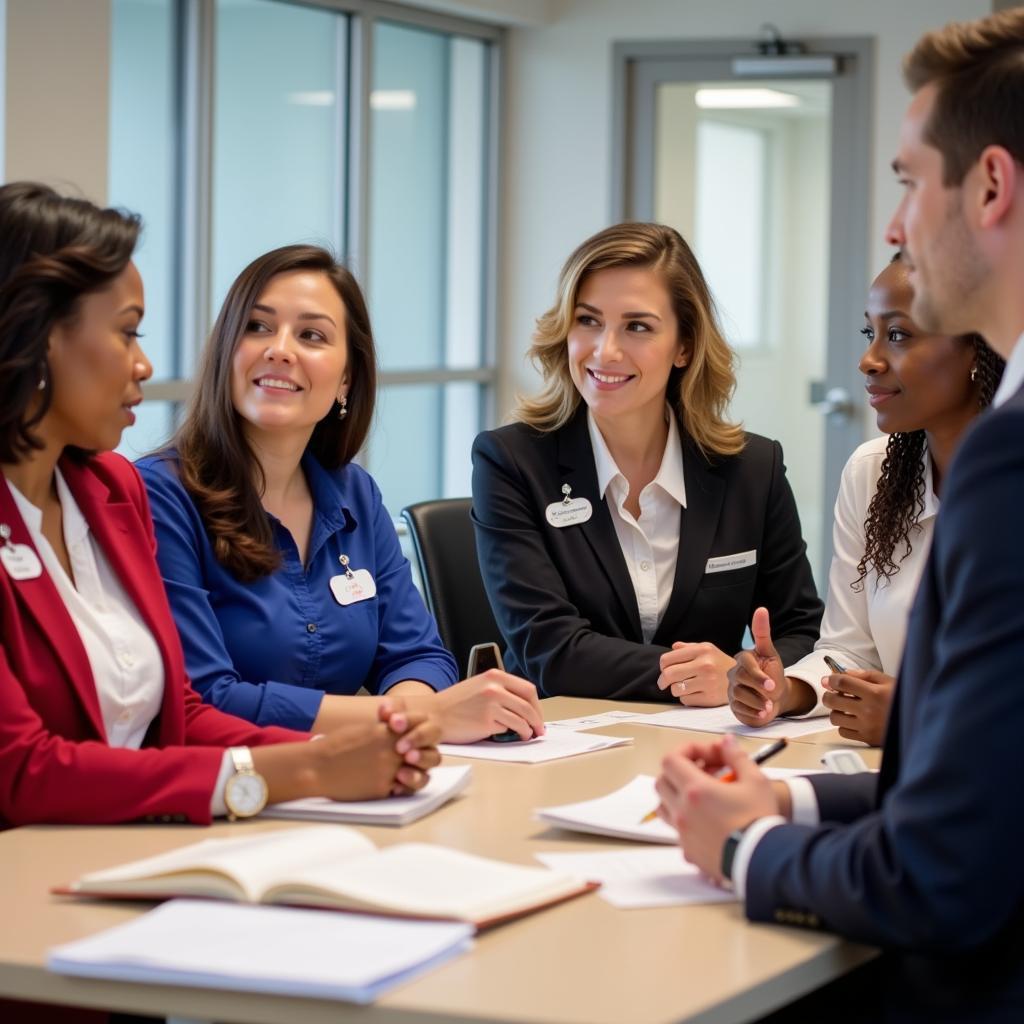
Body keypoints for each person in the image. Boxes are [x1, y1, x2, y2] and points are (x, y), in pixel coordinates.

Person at [655, 9, 1024, 1019]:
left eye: (909, 182)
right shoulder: (889, 468)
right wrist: (782, 794)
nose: (897, 223)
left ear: (988, 185)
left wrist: (744, 845)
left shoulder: (1008, 454)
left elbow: (943, 873)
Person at [0, 182, 440, 834]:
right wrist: (310, 770)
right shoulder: (155, 489)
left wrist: (356, 752)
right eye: (126, 334)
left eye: (313, 336)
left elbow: (179, 714)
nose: (145, 364)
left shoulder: (107, 492)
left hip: (142, 842)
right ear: (37, 340)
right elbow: (22, 772)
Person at [137, 245, 544, 742]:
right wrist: (419, 720)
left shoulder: (354, 493)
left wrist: (408, 718)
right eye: (258, 327)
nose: (280, 349)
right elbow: (205, 698)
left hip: (345, 784)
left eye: (311, 335)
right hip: (226, 791)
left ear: (346, 379)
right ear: (226, 350)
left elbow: (417, 655)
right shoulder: (160, 496)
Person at [471, 222, 822, 703]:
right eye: (588, 320)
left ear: (685, 346)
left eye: (637, 326)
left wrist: (760, 682)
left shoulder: (753, 468)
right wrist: (705, 677)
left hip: (710, 747)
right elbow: (549, 652)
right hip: (562, 747)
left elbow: (801, 632)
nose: (605, 350)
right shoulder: (511, 462)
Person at [729, 255, 1004, 745]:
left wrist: (914, 715)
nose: (868, 360)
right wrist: (786, 689)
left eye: (897, 335)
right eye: (869, 334)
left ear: (976, 351)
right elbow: (849, 650)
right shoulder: (873, 472)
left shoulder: (1010, 480)